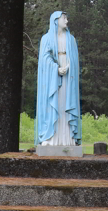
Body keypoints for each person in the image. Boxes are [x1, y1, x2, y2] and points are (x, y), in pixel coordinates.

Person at [35, 11, 81, 146]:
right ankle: (50, 137)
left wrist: (68, 67)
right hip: (52, 78)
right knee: (53, 102)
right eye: (64, 18)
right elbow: (44, 58)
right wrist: (56, 69)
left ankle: (68, 138)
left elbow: (74, 59)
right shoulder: (46, 38)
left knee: (65, 103)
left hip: (68, 76)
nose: (66, 21)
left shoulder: (71, 39)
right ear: (56, 20)